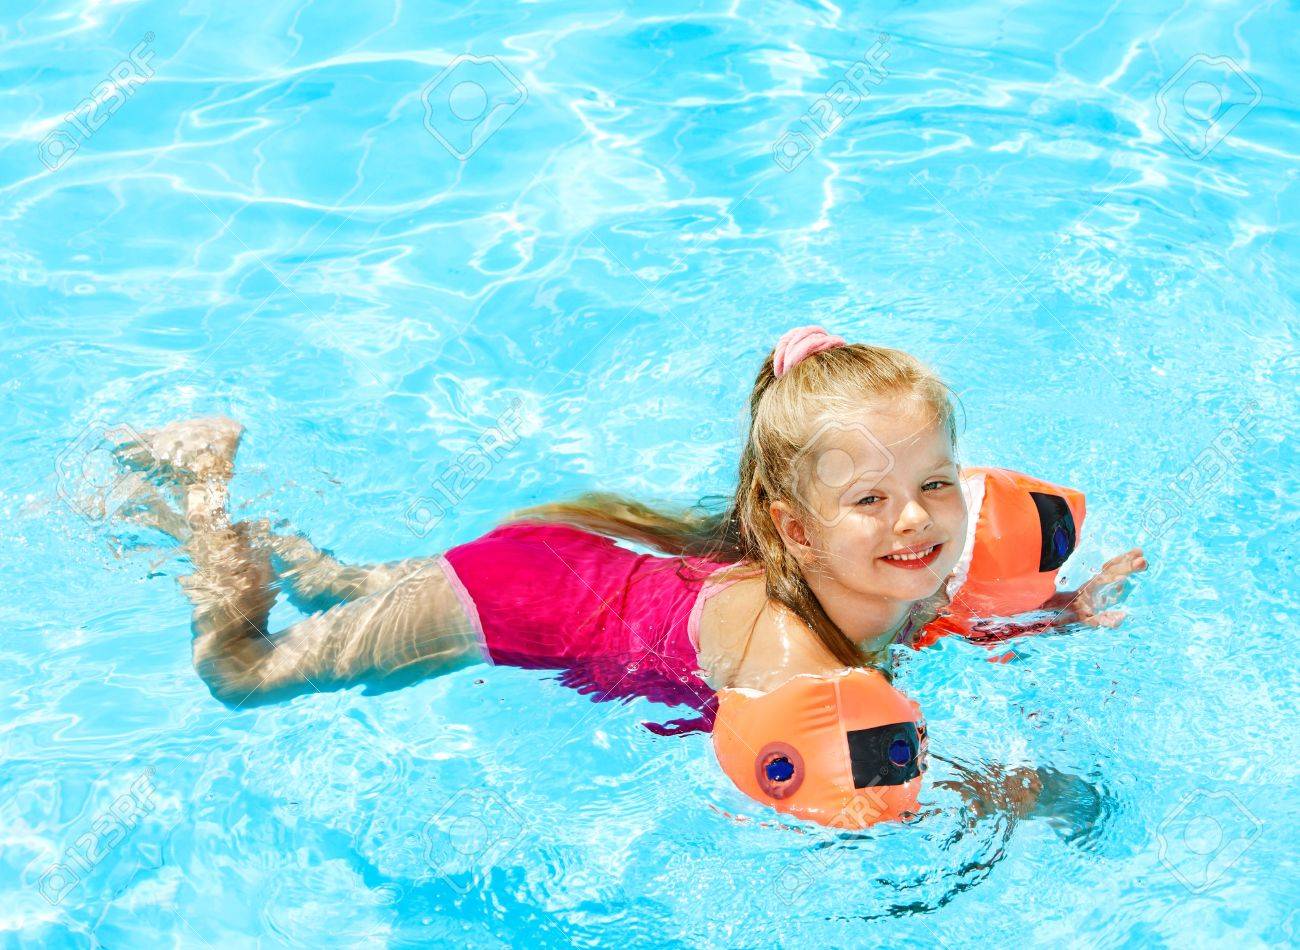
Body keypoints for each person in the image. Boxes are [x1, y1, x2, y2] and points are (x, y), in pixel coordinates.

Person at [112, 326, 1146, 713]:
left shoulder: (896, 565)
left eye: (934, 483)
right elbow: (856, 739)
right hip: (513, 602)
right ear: (793, 530)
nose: (916, 521)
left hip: (561, 569)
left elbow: (917, 626)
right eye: (869, 499)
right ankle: (207, 484)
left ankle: (269, 533)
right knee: (241, 675)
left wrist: (1047, 619)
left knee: (342, 591)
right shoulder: (778, 641)